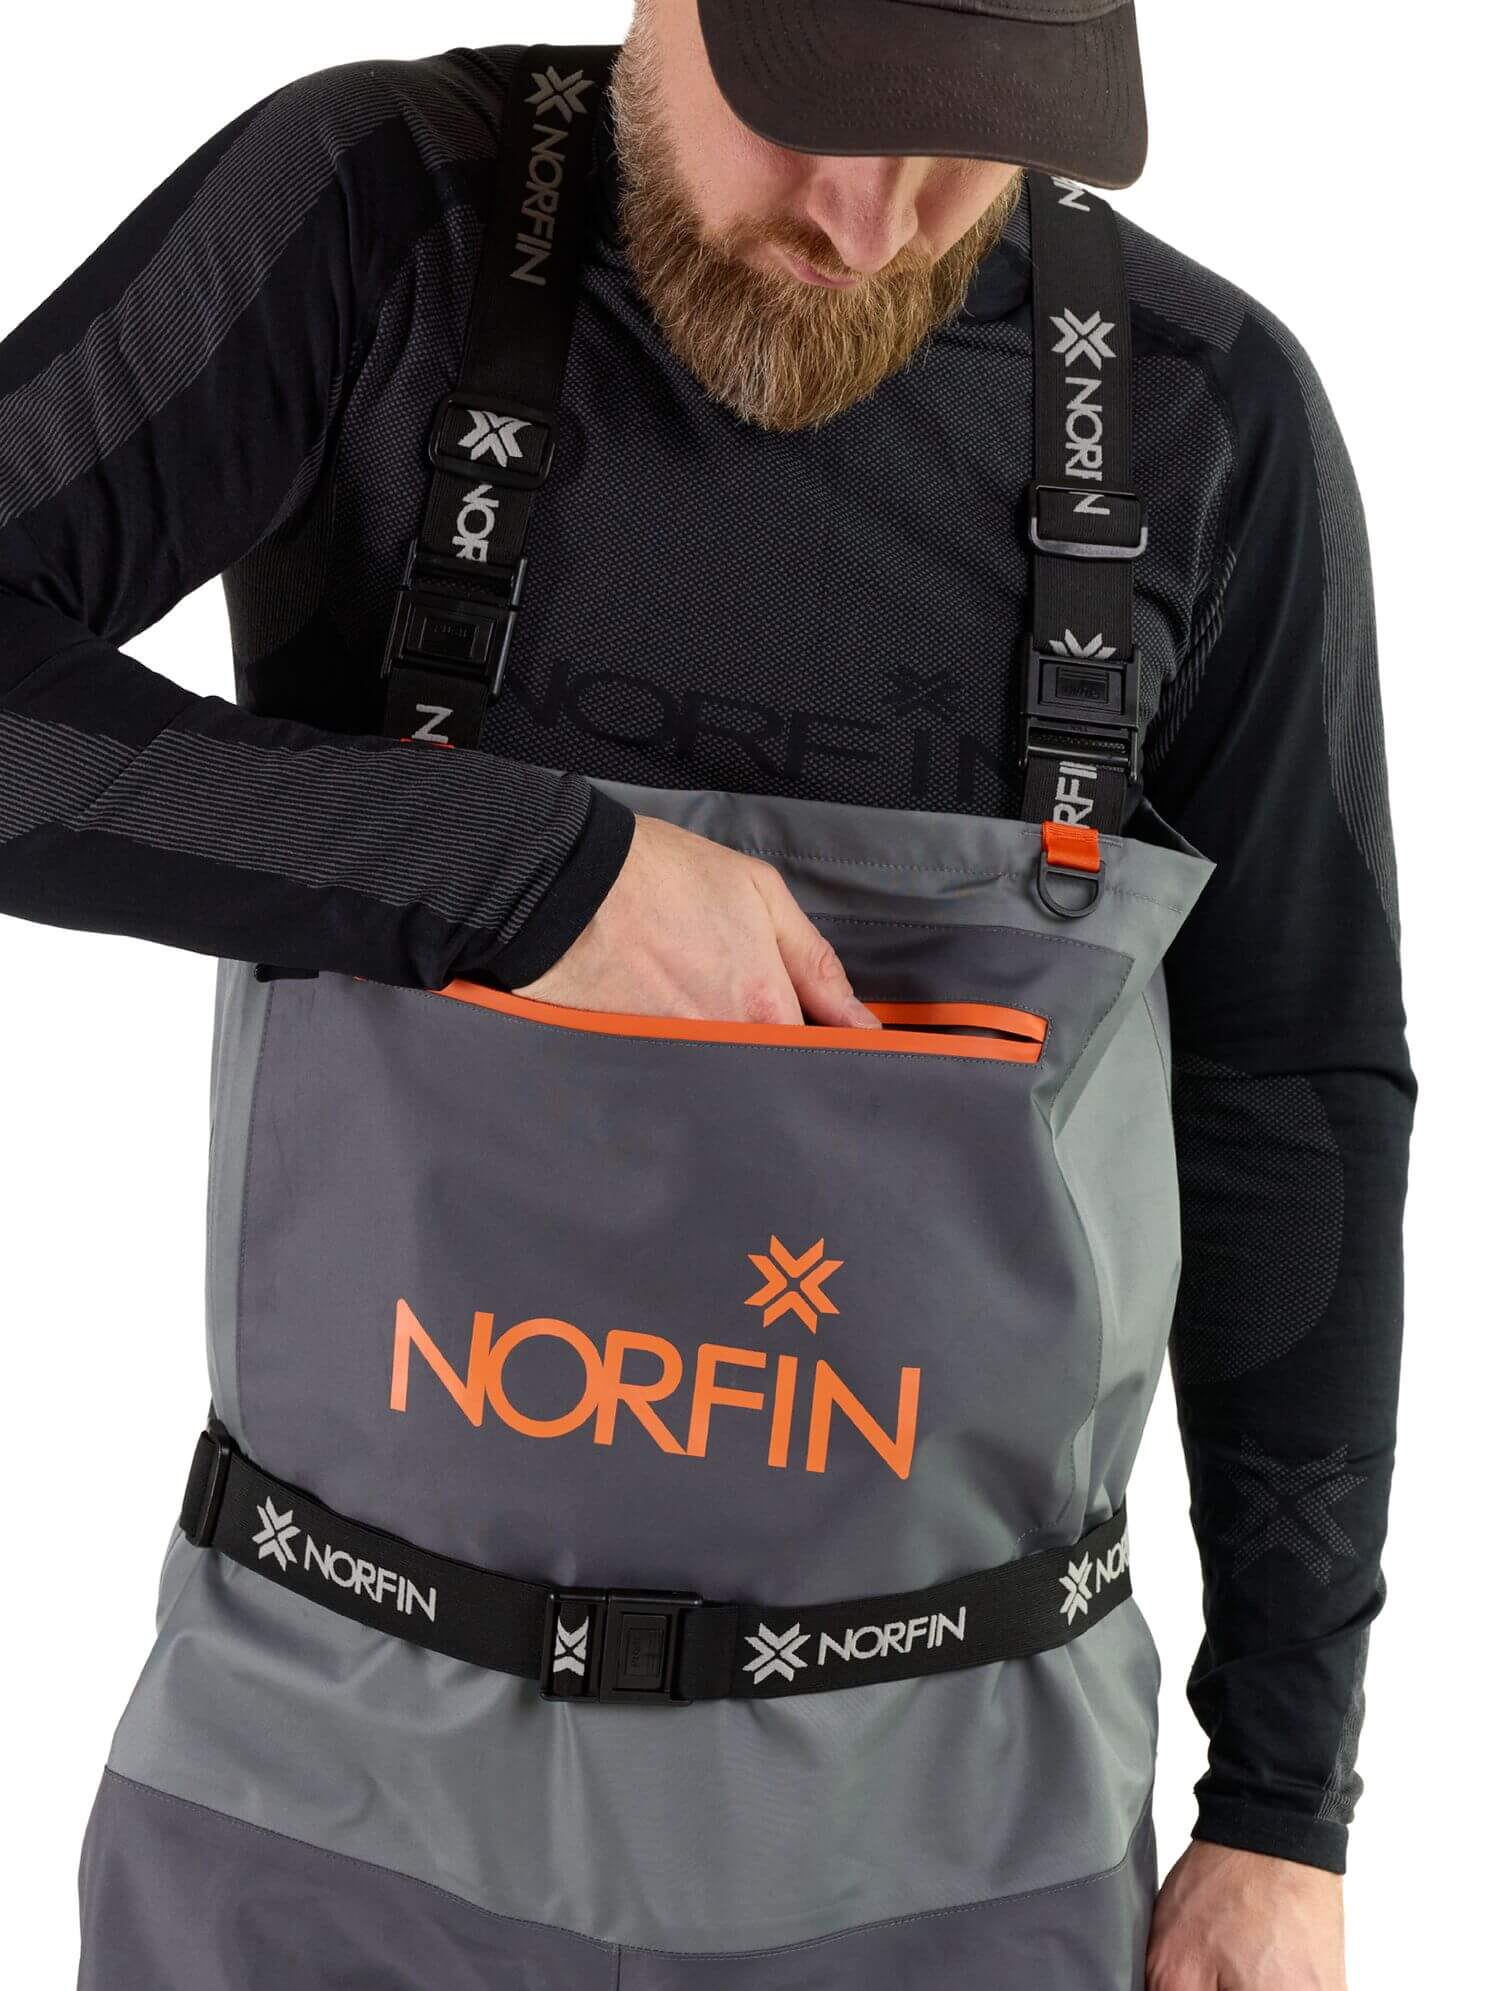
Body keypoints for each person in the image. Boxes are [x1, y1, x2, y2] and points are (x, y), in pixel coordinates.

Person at [0, 3, 1411, 1987]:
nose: (866, 221)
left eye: (964, 144)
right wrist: (520, 874)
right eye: (814, 111)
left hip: (945, 1856)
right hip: (320, 1814)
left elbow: (1299, 1092)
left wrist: (1283, 1805)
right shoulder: (384, 221)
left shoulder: (1204, 419)